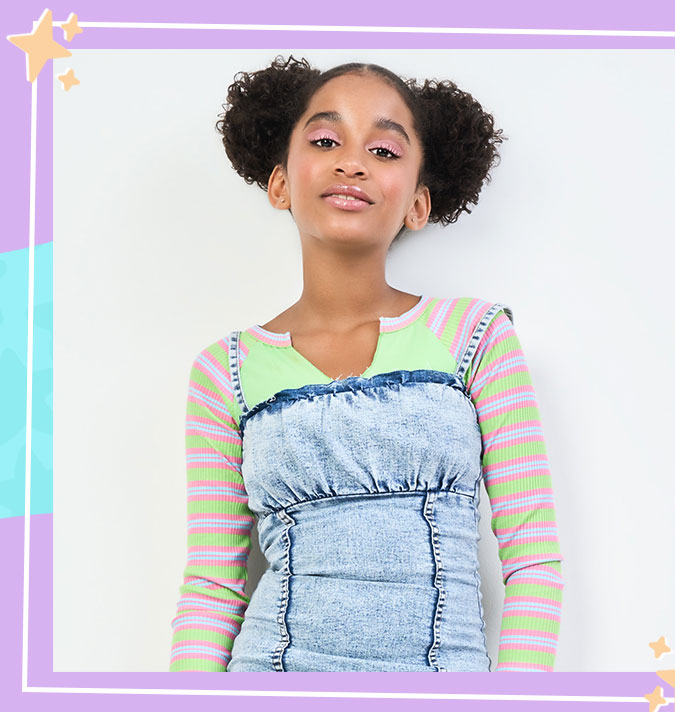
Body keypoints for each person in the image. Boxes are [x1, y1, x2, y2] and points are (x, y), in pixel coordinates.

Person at [169, 55, 564, 672]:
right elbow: (214, 589)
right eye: (326, 140)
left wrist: (509, 706)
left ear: (418, 203)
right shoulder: (226, 370)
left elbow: (534, 560)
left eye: (384, 151)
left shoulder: (475, 337)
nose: (351, 161)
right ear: (279, 183)